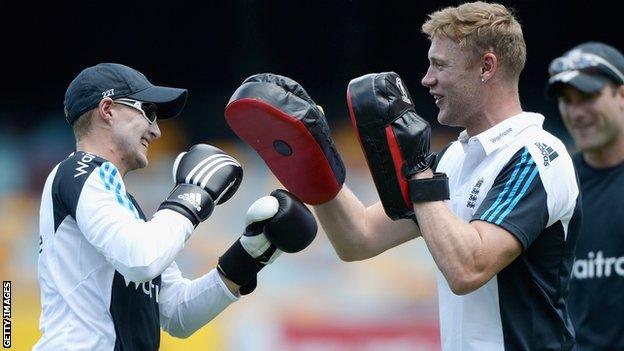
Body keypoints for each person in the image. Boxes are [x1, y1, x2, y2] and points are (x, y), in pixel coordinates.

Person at [225, 2, 581, 350]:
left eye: (440, 65)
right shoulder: (454, 158)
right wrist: (317, 157)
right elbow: (358, 238)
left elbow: (468, 269)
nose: (427, 79)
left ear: (486, 67)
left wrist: (416, 169)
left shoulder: (535, 154)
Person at [35, 63, 317, 350]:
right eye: (149, 112)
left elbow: (179, 314)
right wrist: (191, 196)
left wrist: (250, 255)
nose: (156, 130)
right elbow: (141, 259)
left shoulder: (126, 210)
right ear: (107, 110)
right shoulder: (80, 169)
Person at [546, 42, 624, 350]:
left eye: (589, 96)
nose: (576, 113)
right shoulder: (553, 185)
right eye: (566, 100)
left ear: (621, 95)